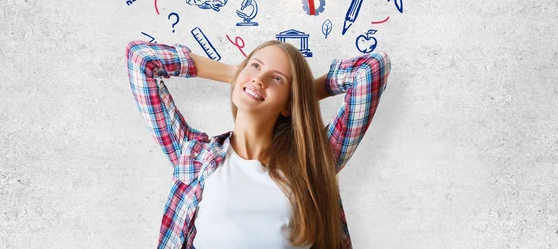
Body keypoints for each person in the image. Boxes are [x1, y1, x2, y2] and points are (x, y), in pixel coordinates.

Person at [126, 39, 391, 249]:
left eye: (277, 79)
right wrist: (236, 74)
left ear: (288, 104)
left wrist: (300, 99)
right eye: (255, 65)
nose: (259, 79)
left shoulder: (314, 160)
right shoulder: (194, 158)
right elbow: (141, 58)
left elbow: (371, 69)